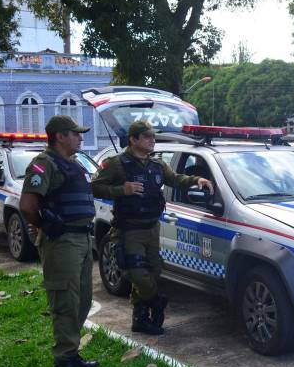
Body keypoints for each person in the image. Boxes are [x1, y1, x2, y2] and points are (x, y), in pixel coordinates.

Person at [91, 120, 213, 335]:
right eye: (147, 136)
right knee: (138, 274)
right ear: (133, 139)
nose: (152, 140)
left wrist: (197, 180)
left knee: (153, 272)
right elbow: (95, 187)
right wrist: (122, 190)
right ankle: (157, 301)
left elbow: (176, 179)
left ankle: (140, 319)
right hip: (129, 230)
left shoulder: (157, 165)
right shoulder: (117, 164)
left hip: (152, 227)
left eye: (153, 136)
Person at [19, 115, 98, 367]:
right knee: (65, 301)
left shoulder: (74, 163)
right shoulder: (44, 163)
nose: (80, 138)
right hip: (62, 241)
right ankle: (65, 363)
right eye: (75, 133)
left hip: (82, 239)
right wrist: (45, 226)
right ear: (60, 136)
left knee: (82, 299)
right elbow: (27, 206)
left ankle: (71, 353)